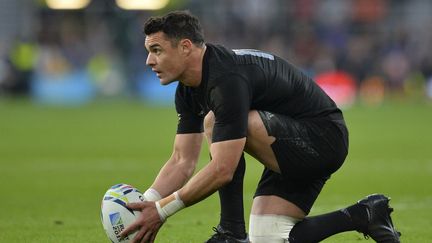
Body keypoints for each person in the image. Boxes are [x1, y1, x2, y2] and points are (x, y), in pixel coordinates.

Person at [120, 10, 401, 243]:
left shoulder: (225, 78)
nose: (149, 61)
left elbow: (222, 169)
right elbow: (182, 160)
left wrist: (163, 210)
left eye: (156, 50)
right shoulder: (187, 88)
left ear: (185, 47)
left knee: (215, 122)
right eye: (148, 51)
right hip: (287, 142)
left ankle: (231, 232)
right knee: (267, 237)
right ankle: (364, 214)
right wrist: (145, 204)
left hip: (322, 138)